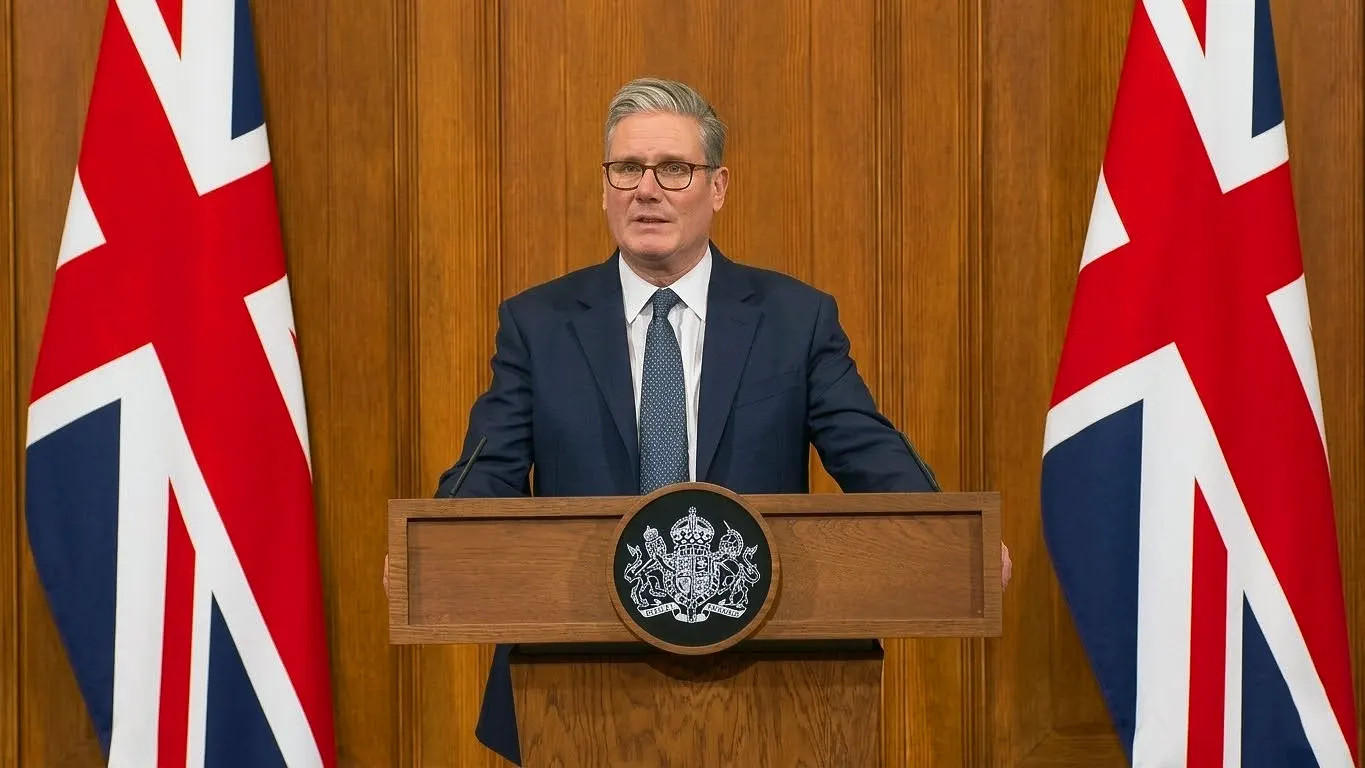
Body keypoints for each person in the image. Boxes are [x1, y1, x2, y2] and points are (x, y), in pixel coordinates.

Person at [403, 77, 1012, 765]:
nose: (647, 189)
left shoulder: (793, 318)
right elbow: (491, 466)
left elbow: (864, 445)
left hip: (769, 681)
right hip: (575, 685)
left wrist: (946, 537)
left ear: (716, 187)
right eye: (627, 168)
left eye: (674, 169)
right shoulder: (537, 324)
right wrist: (436, 547)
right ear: (605, 187)